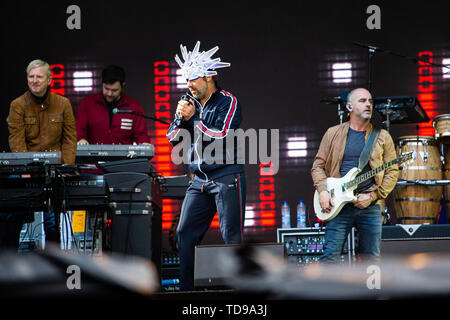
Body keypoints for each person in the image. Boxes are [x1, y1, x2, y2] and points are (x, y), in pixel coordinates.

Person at [166, 41, 246, 290]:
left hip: (226, 176)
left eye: (193, 78)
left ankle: (240, 291)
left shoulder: (228, 102)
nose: (188, 84)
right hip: (198, 180)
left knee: (231, 237)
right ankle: (186, 291)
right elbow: (173, 139)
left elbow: (220, 137)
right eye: (186, 79)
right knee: (184, 232)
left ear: (209, 77)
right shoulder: (188, 102)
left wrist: (195, 119)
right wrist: (180, 120)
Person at [311, 87, 399, 263]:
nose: (368, 104)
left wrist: (374, 195)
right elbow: (317, 166)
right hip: (338, 205)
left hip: (370, 206)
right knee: (330, 258)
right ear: (349, 107)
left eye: (370, 101)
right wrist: (322, 191)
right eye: (363, 101)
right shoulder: (332, 133)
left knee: (371, 261)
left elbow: (393, 170)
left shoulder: (382, 136)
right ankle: (328, 291)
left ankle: (372, 291)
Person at [2, 59, 77, 249]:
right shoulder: (17, 105)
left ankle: (54, 268)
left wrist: (66, 168)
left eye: (39, 76)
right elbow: (16, 141)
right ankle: (8, 264)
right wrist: (25, 169)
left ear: (49, 80)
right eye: (31, 76)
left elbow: (70, 139)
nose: (34, 80)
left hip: (54, 172)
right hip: (25, 170)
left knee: (53, 222)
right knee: (12, 213)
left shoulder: (63, 104)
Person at [76, 65, 150, 145]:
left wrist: (144, 144)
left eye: (114, 90)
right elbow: (79, 128)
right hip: (93, 157)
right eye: (106, 89)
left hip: (125, 157)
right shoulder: (88, 103)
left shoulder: (133, 107)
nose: (109, 94)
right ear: (101, 82)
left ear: (123, 85)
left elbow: (141, 135)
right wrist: (81, 139)